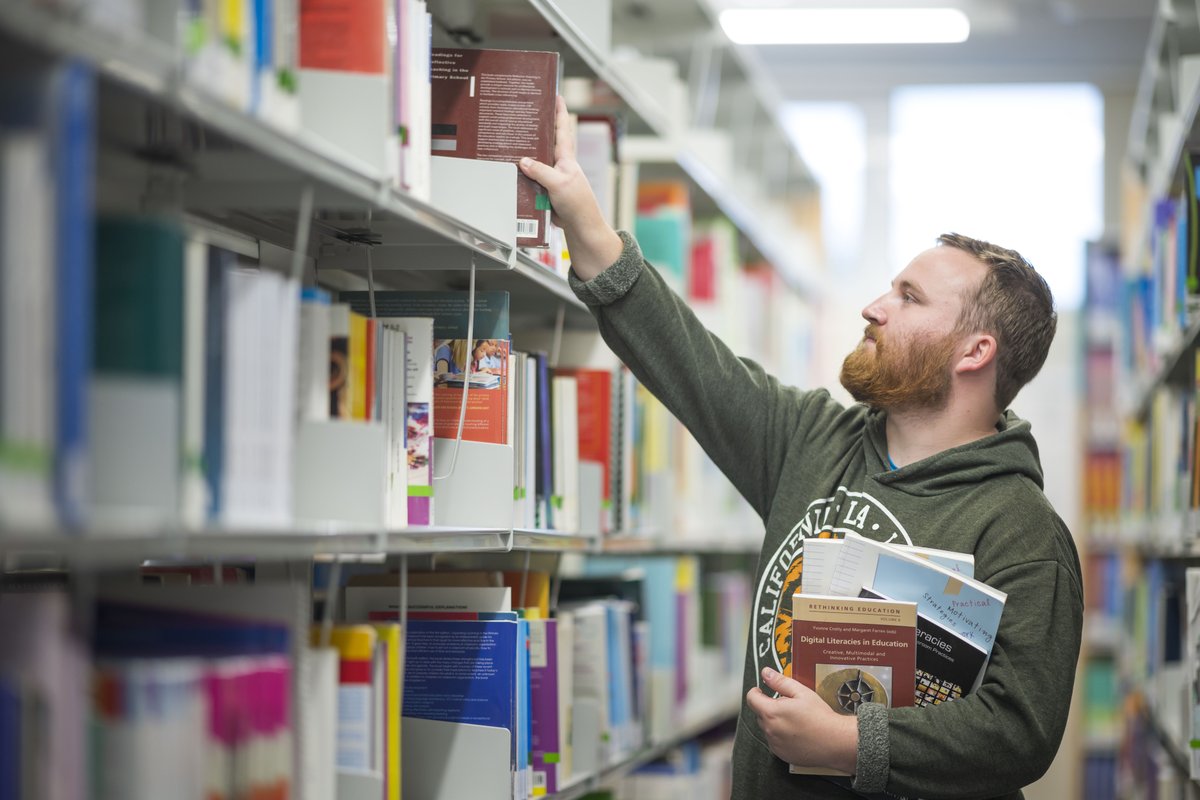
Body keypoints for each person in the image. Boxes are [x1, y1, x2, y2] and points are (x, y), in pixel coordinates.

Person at [518, 96, 1083, 800]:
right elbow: (693, 365)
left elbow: (1020, 729)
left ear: (975, 351)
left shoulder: (1023, 529)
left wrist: (852, 744)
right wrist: (585, 219)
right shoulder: (812, 441)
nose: (874, 306)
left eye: (908, 297)